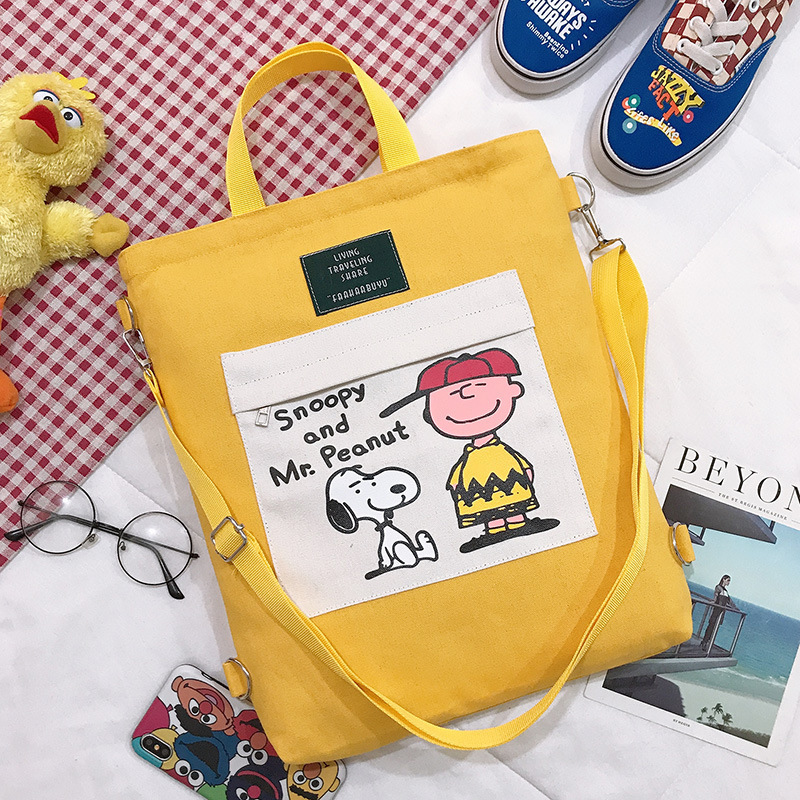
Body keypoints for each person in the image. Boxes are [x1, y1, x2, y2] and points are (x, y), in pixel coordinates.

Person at [700, 575, 739, 650]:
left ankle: (706, 642)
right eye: (728, 580)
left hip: (721, 612)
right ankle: (704, 642)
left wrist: (736, 609)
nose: (729, 582)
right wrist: (713, 602)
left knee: (714, 628)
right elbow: (716, 596)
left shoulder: (725, 591)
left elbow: (729, 601)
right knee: (710, 627)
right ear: (723, 579)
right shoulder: (718, 587)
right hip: (715, 610)